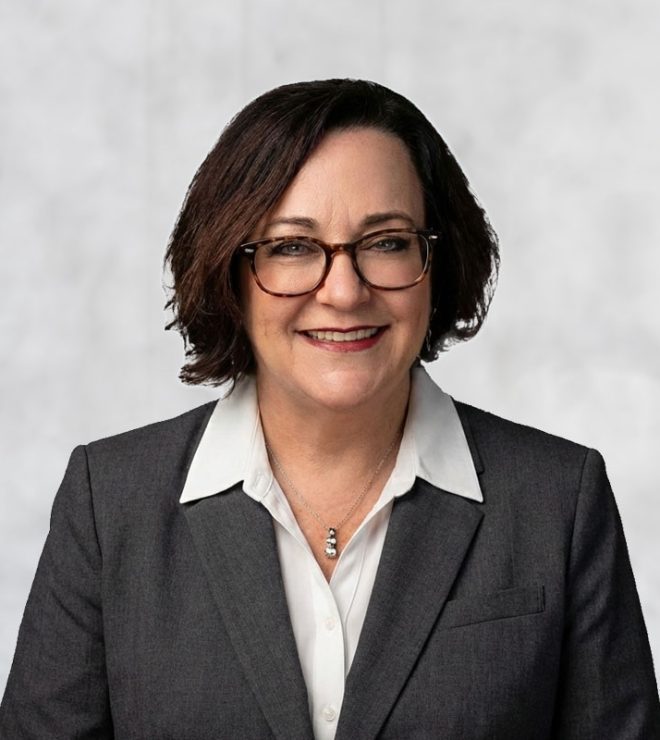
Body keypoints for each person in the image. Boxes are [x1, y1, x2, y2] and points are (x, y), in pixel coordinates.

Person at [1, 79, 658, 740]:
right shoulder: (110, 504)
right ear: (230, 272)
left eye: (387, 242)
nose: (344, 292)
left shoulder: (558, 501)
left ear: (437, 261)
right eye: (292, 246)